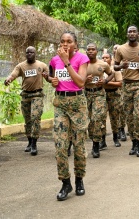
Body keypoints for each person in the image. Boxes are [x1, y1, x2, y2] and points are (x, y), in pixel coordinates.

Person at [49, 31, 90, 201]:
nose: (65, 44)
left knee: (79, 146)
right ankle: (66, 182)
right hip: (61, 104)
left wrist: (67, 63)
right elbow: (51, 76)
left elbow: (80, 82)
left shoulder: (82, 59)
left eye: (69, 41)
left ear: (75, 44)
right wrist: (52, 80)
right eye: (62, 42)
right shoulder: (54, 60)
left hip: (78, 105)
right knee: (60, 145)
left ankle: (79, 179)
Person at [114, 25, 139, 157]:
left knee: (138, 115)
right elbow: (115, 66)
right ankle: (134, 142)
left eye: (134, 31)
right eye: (129, 31)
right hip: (127, 85)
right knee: (129, 116)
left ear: (138, 34)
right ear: (127, 34)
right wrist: (121, 66)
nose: (131, 33)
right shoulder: (120, 49)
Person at [4, 46, 49, 156]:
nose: (29, 54)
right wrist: (8, 79)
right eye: (27, 52)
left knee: (35, 117)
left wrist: (47, 77)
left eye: (31, 52)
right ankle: (29, 142)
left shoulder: (42, 65)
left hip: (37, 95)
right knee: (28, 120)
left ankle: (34, 144)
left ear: (35, 54)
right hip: (25, 95)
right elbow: (13, 74)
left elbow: (48, 78)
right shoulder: (21, 66)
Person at [85, 43, 113, 157]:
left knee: (97, 118)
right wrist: (85, 80)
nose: (91, 51)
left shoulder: (103, 64)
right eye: (89, 50)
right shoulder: (82, 64)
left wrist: (105, 81)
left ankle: (96, 145)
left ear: (97, 51)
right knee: (89, 121)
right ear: (86, 52)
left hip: (99, 94)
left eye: (93, 49)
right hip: (86, 94)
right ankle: (93, 139)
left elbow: (111, 74)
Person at [102, 52, 123, 148]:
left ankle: (115, 137)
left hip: (114, 94)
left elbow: (119, 83)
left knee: (114, 117)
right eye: (103, 58)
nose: (105, 59)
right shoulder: (99, 68)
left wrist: (107, 82)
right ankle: (102, 140)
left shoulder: (115, 69)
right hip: (102, 94)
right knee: (101, 117)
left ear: (111, 59)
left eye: (107, 58)